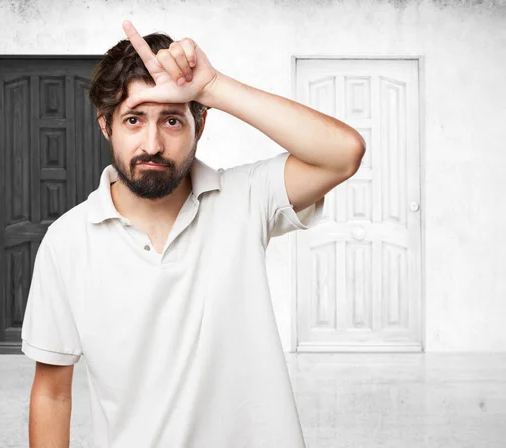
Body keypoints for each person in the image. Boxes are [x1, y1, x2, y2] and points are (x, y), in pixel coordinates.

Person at [21, 20, 364, 448]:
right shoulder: (67, 241)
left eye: (171, 121)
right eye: (133, 120)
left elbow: (343, 154)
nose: (152, 144)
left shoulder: (245, 199)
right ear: (106, 126)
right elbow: (52, 393)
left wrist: (214, 86)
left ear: (200, 125)